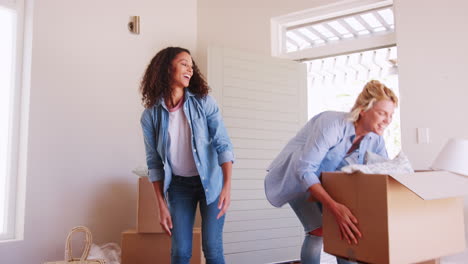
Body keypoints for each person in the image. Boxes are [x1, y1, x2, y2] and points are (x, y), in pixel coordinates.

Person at [264, 80, 398, 264]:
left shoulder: (376, 140)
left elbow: (382, 174)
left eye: (391, 115)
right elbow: (305, 169)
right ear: (363, 109)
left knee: (344, 230)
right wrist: (334, 207)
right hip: (298, 176)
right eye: (382, 113)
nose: (388, 120)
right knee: (317, 230)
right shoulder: (332, 124)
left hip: (323, 179)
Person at [140, 47, 234, 264]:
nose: (190, 70)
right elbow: (153, 163)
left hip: (211, 182)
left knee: (212, 247)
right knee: (180, 252)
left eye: (192, 66)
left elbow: (223, 143)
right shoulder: (150, 116)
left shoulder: (204, 102)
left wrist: (227, 186)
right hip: (179, 187)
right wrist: (161, 204)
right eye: (184, 63)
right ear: (166, 68)